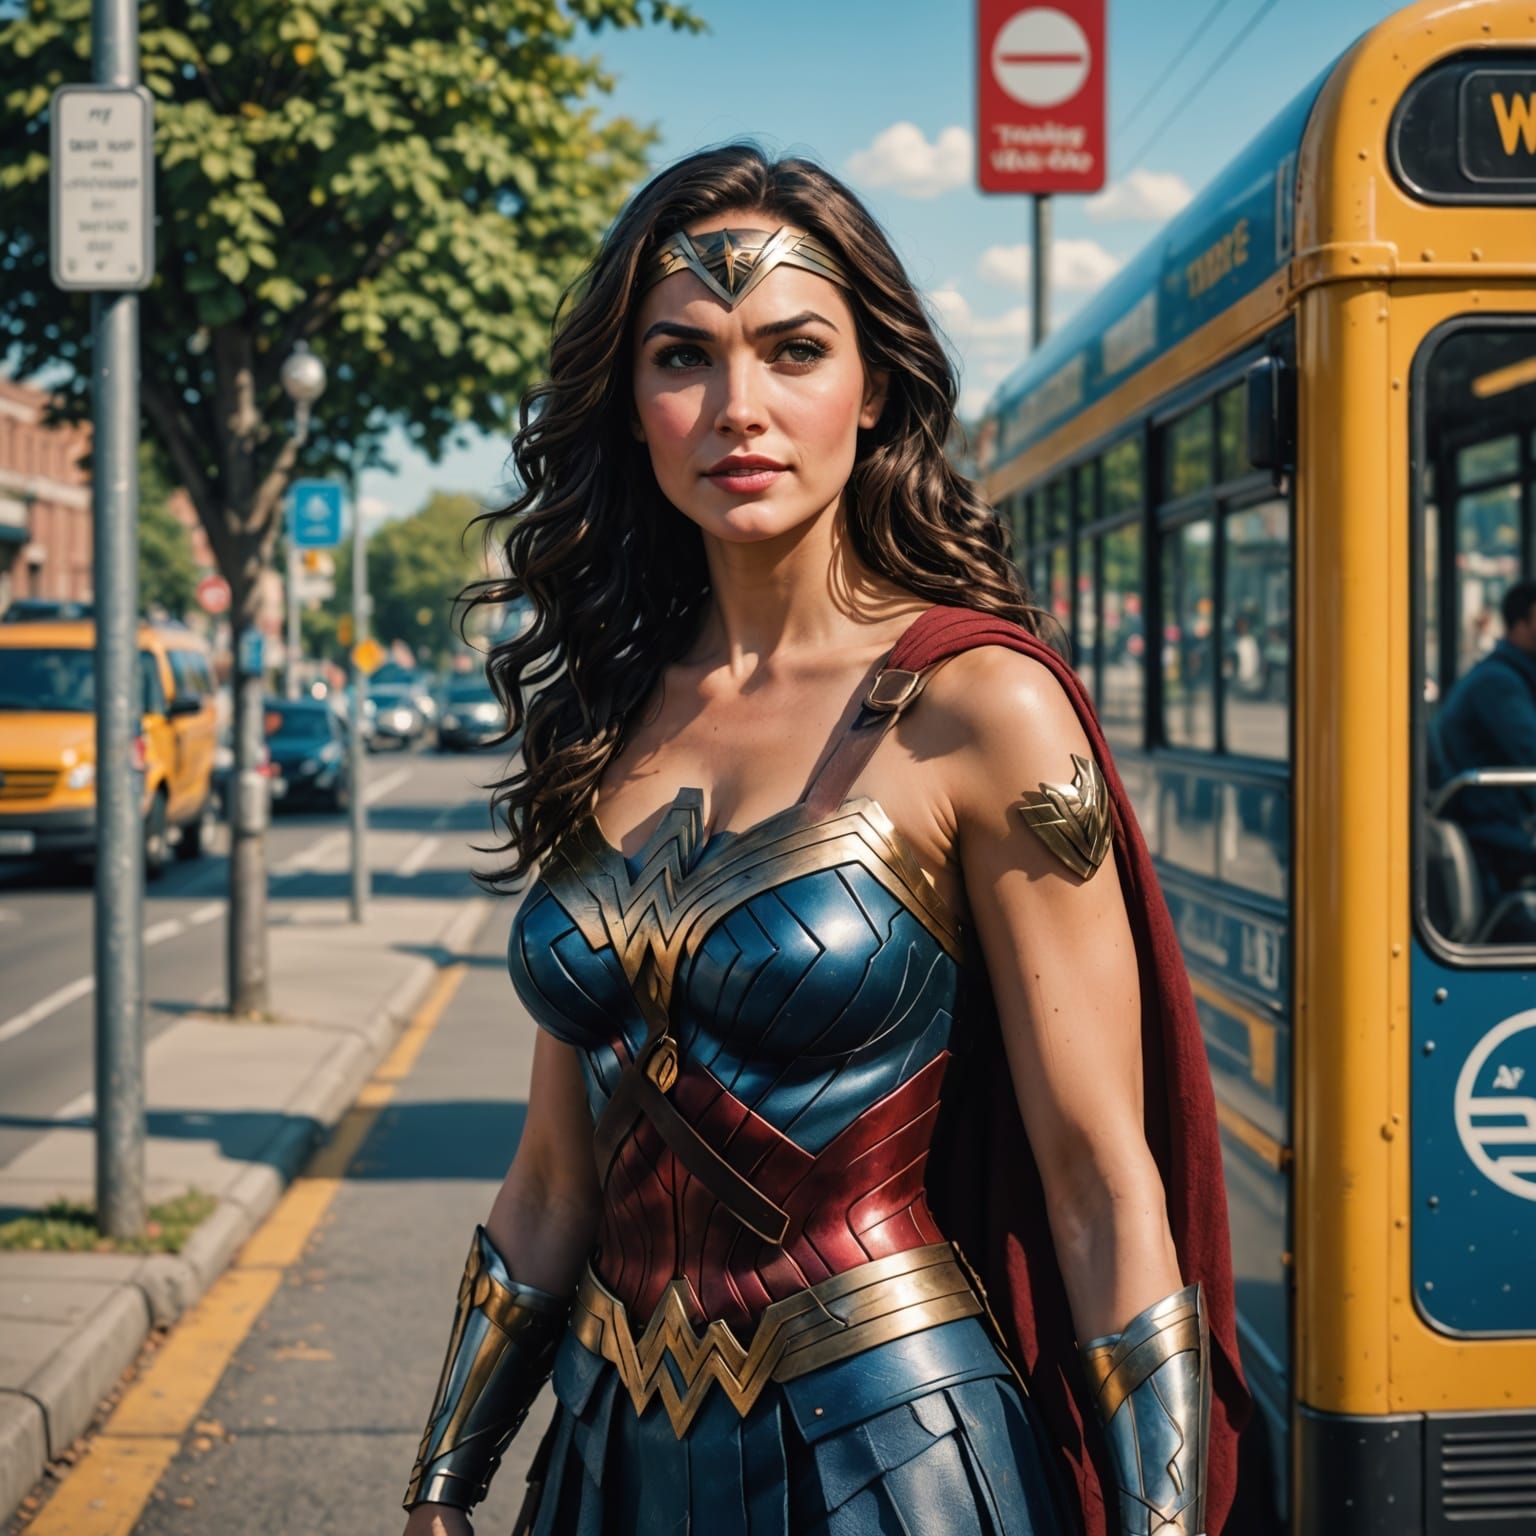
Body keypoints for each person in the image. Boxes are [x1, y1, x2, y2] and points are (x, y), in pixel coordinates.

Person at [399, 144, 1249, 1536]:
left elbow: (1101, 1174)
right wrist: (446, 1477)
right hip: (609, 1457)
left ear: (875, 388)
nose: (740, 407)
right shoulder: (601, 724)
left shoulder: (981, 708)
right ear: (631, 405)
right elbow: (555, 1173)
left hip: (899, 1456)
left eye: (794, 349)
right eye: (684, 358)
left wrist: (1160, 1523)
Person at [1432, 579, 1536, 935]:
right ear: (1521, 625)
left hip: (1498, 824)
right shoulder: (1499, 684)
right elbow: (1531, 750)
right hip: (1494, 832)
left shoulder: (1508, 675)